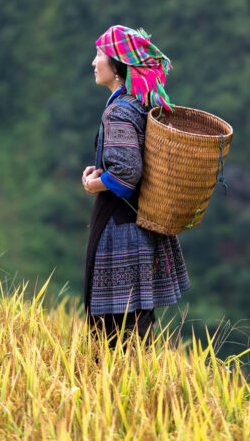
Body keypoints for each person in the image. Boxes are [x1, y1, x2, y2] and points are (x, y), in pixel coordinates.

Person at [81, 25, 190, 349]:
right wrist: (101, 169)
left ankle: (111, 395)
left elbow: (128, 174)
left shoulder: (119, 110)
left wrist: (94, 183)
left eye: (99, 54)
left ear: (117, 67)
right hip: (142, 228)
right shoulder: (142, 104)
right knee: (136, 331)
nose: (93, 62)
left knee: (112, 335)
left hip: (120, 230)